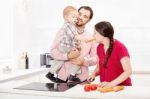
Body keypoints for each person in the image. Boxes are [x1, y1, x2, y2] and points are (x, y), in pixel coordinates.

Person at [47, 6, 97, 83]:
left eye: (85, 16)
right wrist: (67, 56)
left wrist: (84, 61)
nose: (80, 17)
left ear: (89, 20)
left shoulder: (90, 37)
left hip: (82, 79)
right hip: (62, 78)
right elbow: (52, 51)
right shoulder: (63, 31)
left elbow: (96, 58)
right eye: (79, 14)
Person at [87, 21, 132, 87]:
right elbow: (99, 67)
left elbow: (128, 71)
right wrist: (93, 74)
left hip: (122, 88)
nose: (93, 35)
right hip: (106, 88)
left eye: (95, 33)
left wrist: (111, 84)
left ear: (103, 34)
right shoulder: (99, 47)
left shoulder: (120, 48)